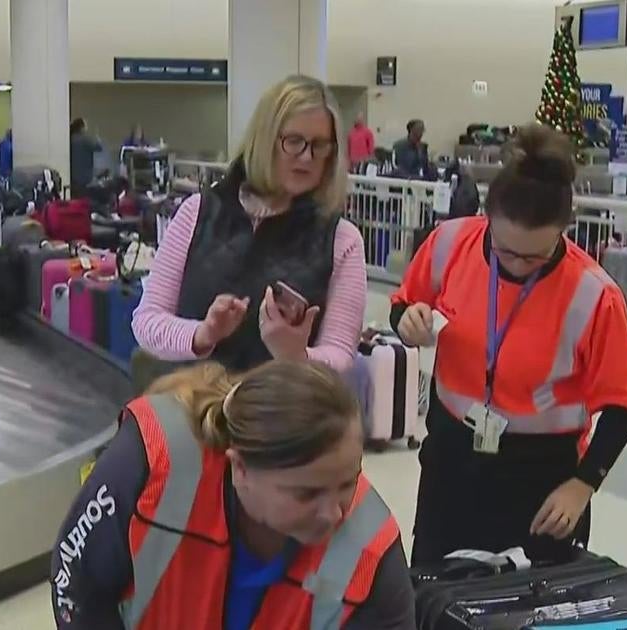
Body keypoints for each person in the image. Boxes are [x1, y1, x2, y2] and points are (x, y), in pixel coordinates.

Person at [390, 123, 627, 567]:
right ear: (488, 219)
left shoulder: (593, 295)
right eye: (504, 250)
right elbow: (404, 304)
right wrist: (406, 321)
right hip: (451, 464)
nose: (516, 265)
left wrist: (583, 485)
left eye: (533, 256)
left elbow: (625, 405)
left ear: (563, 232)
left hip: (540, 479)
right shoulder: (452, 243)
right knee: (435, 600)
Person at [50, 360, 414, 629]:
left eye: (348, 483)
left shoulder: (371, 553)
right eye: (307, 494)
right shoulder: (152, 461)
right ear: (240, 468)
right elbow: (78, 584)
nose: (334, 513)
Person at [131, 75, 366, 379]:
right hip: (193, 410)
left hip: (279, 416)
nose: (307, 157)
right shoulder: (196, 212)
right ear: (265, 139)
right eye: (294, 141)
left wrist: (296, 356)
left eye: (320, 146)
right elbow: (147, 321)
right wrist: (202, 334)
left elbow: (340, 354)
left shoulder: (342, 239)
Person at [70, 117, 104, 197]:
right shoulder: (85, 139)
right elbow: (99, 148)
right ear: (81, 127)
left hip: (74, 175)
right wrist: (98, 139)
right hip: (85, 176)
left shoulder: (71, 138)